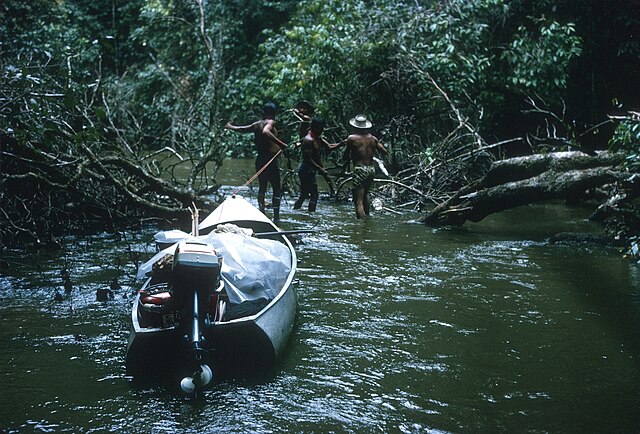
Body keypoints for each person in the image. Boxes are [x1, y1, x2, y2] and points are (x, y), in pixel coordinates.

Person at [225, 102, 288, 222]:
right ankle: (276, 218)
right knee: (276, 189)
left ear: (263, 112)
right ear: (274, 114)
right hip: (270, 160)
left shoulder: (257, 124)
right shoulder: (270, 122)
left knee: (262, 188)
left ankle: (262, 214)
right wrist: (282, 144)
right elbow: (266, 131)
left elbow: (242, 129)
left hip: (260, 160)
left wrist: (230, 126)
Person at [342, 114, 387, 219]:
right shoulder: (373, 139)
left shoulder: (352, 138)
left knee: (358, 201)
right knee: (366, 193)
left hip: (360, 169)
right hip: (371, 169)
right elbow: (385, 151)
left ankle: (361, 226)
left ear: (355, 126)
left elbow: (345, 156)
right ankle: (367, 219)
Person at [294, 117, 331, 212]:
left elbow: (329, 147)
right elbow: (308, 159)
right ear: (315, 127)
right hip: (306, 170)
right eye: (321, 128)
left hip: (310, 169)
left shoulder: (317, 138)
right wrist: (320, 169)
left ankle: (296, 211)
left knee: (304, 195)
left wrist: (343, 143)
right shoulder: (308, 140)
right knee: (314, 195)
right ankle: (311, 215)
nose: (322, 130)